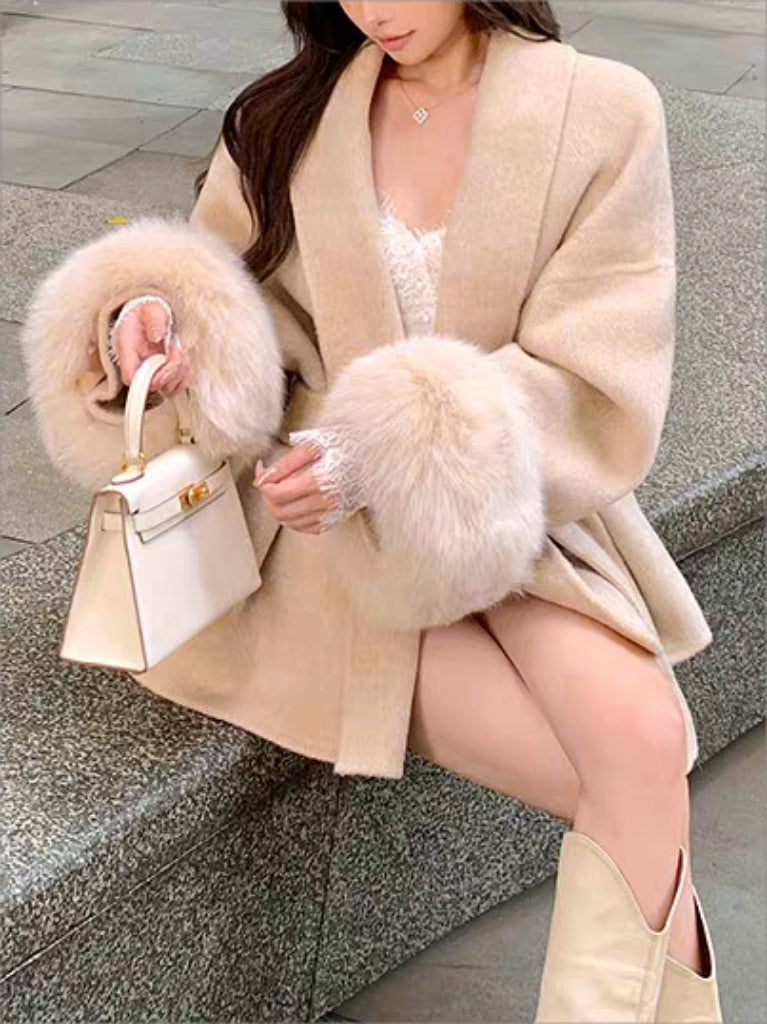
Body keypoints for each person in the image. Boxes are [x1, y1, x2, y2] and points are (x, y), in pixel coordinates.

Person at [21, 2, 724, 1020]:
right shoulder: (287, 117)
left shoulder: (602, 112)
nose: (373, 9)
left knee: (645, 742)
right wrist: (156, 321)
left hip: (510, 493)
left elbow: (597, 371)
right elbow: (232, 303)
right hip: (314, 529)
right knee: (633, 783)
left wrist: (397, 449)